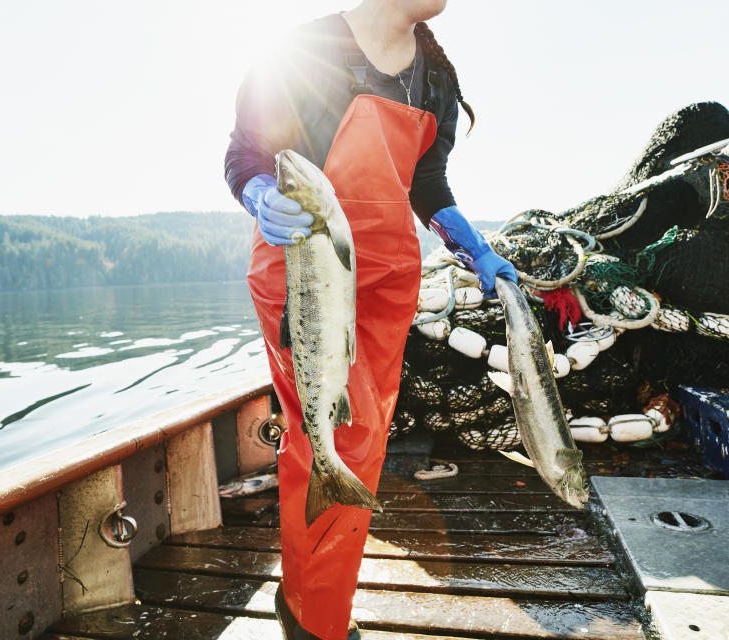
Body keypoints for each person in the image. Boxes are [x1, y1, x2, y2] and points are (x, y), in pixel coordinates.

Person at [224, 2, 517, 638]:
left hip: (386, 278)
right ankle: (317, 621)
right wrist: (257, 195)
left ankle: (306, 600)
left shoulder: (437, 77)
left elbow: (427, 183)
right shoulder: (303, 50)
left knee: (366, 436)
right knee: (331, 438)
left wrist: (468, 238)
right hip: (303, 272)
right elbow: (245, 154)